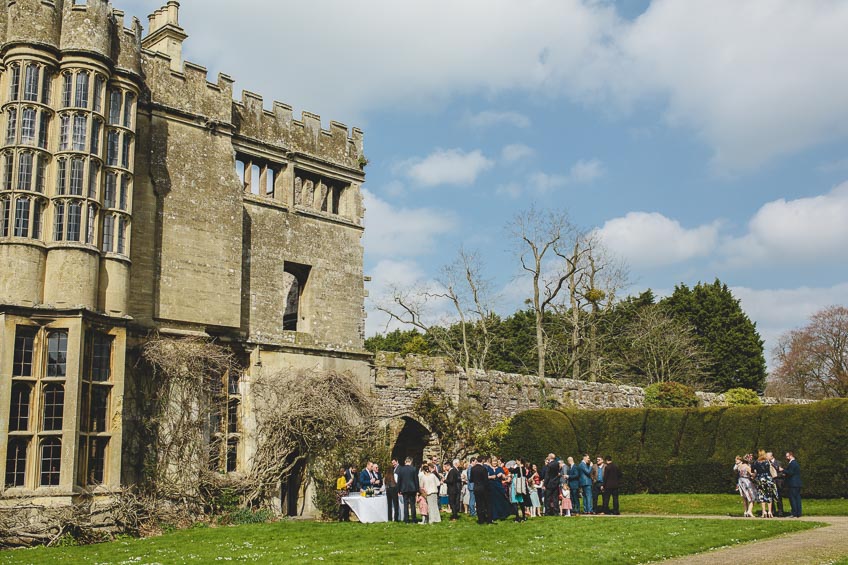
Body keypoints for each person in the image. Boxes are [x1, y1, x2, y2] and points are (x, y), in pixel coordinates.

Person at [752, 450, 778, 518]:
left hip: (760, 480)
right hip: (769, 479)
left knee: (762, 496)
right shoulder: (767, 462)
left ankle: (764, 512)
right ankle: (769, 512)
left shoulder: (756, 463)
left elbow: (752, 471)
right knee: (769, 495)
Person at [396, 457, 420, 524]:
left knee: (405, 505)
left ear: (405, 461)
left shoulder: (401, 470)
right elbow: (416, 480)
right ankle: (414, 519)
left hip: (404, 489)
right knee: (412, 504)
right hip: (412, 489)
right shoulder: (414, 469)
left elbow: (399, 480)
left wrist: (398, 490)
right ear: (411, 461)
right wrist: (417, 490)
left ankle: (406, 519)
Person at [471, 456, 492, 524]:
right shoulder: (483, 469)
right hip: (483, 488)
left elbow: (471, 479)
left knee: (478, 504)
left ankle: (480, 520)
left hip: (476, 488)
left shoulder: (473, 469)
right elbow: (486, 480)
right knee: (486, 504)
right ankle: (488, 519)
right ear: (482, 460)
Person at [766, 451, 786, 517]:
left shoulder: (778, 462)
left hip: (777, 481)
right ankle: (772, 511)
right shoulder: (766, 463)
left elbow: (782, 472)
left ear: (771, 456)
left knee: (778, 497)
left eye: (767, 456)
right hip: (770, 481)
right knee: (771, 497)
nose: (766, 457)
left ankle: (780, 512)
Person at [783, 451, 802, 518]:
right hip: (797, 483)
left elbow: (790, 473)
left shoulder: (793, 463)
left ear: (791, 456)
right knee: (797, 498)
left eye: (787, 456)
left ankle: (794, 513)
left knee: (793, 498)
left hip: (793, 484)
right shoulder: (795, 463)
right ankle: (798, 513)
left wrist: (783, 470)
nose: (786, 458)